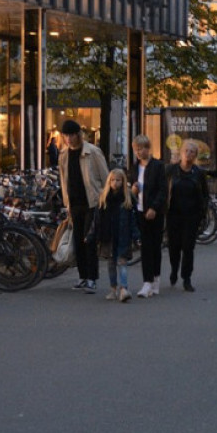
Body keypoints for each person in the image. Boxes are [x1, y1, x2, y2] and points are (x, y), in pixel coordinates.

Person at [58, 118, 109, 292]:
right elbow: (64, 180)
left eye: (72, 135)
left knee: (89, 241)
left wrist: (103, 197)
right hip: (74, 203)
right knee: (78, 240)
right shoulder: (64, 154)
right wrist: (67, 202)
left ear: (78, 135)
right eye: (66, 135)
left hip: (92, 202)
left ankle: (92, 278)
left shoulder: (92, 152)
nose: (69, 139)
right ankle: (82, 276)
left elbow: (105, 176)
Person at [165, 138, 209, 293]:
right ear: (181, 153)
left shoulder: (198, 173)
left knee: (188, 247)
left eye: (192, 152)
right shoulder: (170, 170)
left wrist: (202, 213)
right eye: (186, 151)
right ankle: (173, 270)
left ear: (195, 155)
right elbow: (164, 190)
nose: (189, 154)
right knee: (174, 247)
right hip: (173, 215)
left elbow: (205, 194)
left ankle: (186, 278)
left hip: (191, 216)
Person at [129, 134, 166, 298]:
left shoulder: (157, 166)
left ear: (147, 148)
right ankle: (147, 282)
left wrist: (154, 208)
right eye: (135, 149)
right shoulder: (134, 167)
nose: (138, 152)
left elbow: (162, 190)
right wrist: (133, 191)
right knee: (145, 247)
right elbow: (131, 187)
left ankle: (155, 279)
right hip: (139, 210)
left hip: (154, 213)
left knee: (155, 246)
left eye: (140, 148)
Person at [96, 168, 139, 301]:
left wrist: (136, 235)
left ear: (123, 181)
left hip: (123, 236)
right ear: (109, 182)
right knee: (111, 264)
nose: (115, 183)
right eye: (113, 180)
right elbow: (97, 220)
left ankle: (124, 288)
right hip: (108, 236)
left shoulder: (127, 198)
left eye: (118, 180)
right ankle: (113, 289)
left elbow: (133, 220)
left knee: (122, 263)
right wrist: (92, 235)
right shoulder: (104, 198)